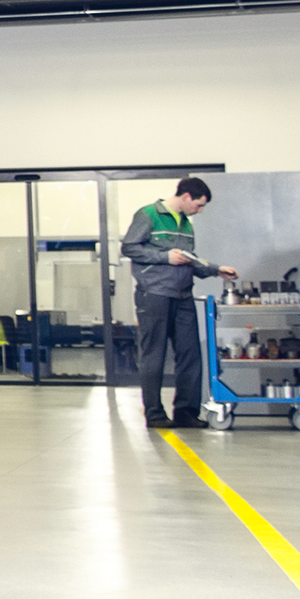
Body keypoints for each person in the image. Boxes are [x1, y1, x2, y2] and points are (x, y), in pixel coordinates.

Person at [120, 177, 214, 430]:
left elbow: (188, 259)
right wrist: (164, 257)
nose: (200, 210)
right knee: (154, 354)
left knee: (190, 354)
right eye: (199, 205)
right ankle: (154, 413)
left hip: (183, 295)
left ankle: (186, 412)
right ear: (186, 197)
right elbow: (129, 247)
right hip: (154, 295)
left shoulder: (185, 223)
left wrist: (215, 270)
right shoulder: (149, 214)